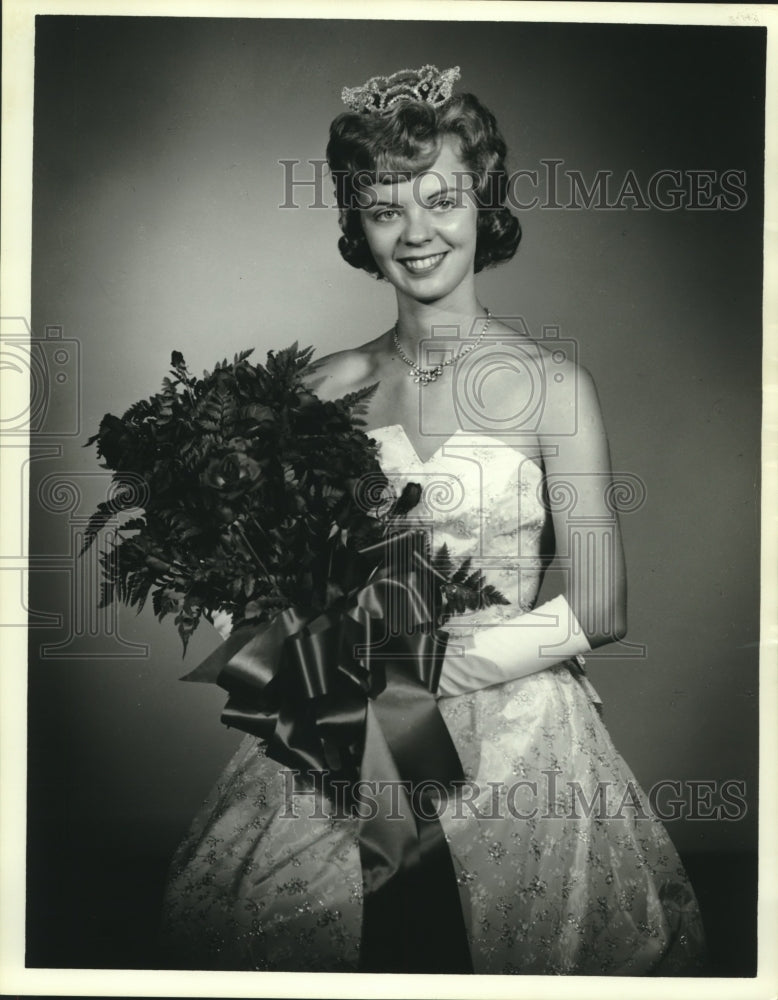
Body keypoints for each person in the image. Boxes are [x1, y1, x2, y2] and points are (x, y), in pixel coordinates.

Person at [158, 65, 706, 975]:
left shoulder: (555, 389)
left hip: (521, 736)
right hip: (342, 724)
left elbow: (602, 608)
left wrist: (423, 668)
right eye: (384, 208)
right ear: (358, 229)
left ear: (481, 204)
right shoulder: (317, 389)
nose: (417, 232)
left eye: (442, 199)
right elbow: (244, 576)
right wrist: (296, 654)